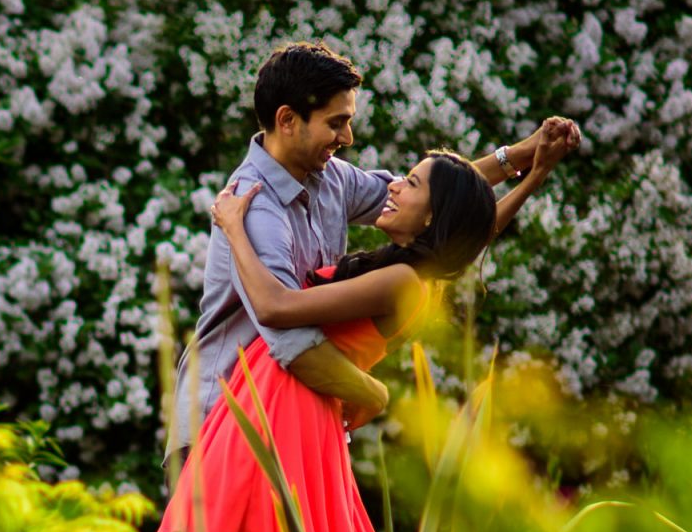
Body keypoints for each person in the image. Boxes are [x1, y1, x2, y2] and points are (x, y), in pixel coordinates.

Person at [154, 138, 567, 532]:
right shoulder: (408, 272)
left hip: (272, 411)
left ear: (432, 219)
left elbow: (277, 306)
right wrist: (528, 173)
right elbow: (469, 224)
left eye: (411, 183)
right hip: (287, 415)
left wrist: (233, 228)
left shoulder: (402, 282)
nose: (394, 184)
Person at [168, 42, 582, 488]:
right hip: (223, 423)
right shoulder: (254, 206)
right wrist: (371, 392)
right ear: (287, 120)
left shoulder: (332, 179)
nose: (347, 137)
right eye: (336, 123)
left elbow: (443, 201)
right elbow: (288, 337)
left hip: (287, 420)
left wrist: (523, 158)